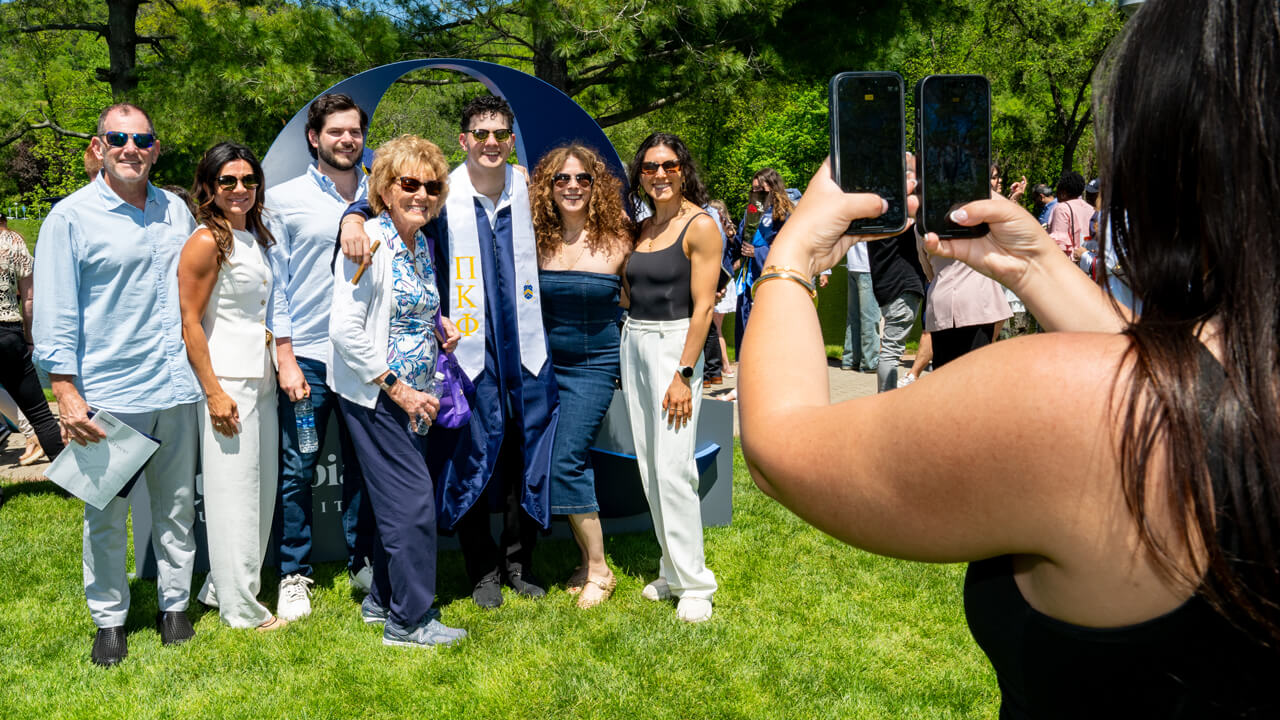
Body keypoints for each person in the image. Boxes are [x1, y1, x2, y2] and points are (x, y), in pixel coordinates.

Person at [740, 0, 1280, 714]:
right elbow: (1194, 388)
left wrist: (795, 256)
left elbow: (783, 447)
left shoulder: (1078, 410)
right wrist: (1032, 270)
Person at [339, 95, 559, 609]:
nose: (490, 143)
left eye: (500, 134)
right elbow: (380, 199)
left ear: (511, 140)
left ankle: (519, 563)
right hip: (468, 354)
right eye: (480, 134)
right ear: (463, 140)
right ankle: (481, 569)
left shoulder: (530, 190)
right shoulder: (442, 194)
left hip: (527, 351)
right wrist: (351, 219)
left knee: (523, 454)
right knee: (473, 457)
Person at [34, 103, 202, 666]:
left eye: (142, 138)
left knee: (177, 507)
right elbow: (54, 312)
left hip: (176, 387)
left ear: (155, 148)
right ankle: (109, 619)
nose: (131, 147)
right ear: (100, 146)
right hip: (108, 392)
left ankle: (174, 607)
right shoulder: (70, 218)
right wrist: (64, 390)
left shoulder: (174, 210)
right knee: (105, 515)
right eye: (118, 138)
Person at [330, 133, 466, 648]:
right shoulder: (369, 241)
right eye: (409, 184)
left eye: (432, 186)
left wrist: (439, 325)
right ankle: (409, 622)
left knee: (399, 503)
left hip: (419, 395)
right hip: (381, 398)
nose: (422, 195)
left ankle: (381, 600)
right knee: (412, 507)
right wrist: (396, 388)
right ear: (384, 189)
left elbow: (408, 306)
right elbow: (343, 328)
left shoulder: (421, 244)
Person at [265, 93, 376, 621]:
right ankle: (294, 573)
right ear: (314, 137)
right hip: (308, 354)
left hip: (366, 355)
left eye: (353, 131)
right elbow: (276, 290)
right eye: (335, 131)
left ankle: (364, 561)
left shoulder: (387, 191)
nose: (345, 140)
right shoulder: (283, 200)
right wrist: (284, 357)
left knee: (365, 464)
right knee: (298, 467)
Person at [177, 142, 287, 631]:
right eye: (228, 181)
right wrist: (214, 392)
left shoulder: (253, 234)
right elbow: (190, 323)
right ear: (209, 187)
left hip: (260, 377)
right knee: (235, 497)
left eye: (248, 180)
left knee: (259, 494)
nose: (240, 189)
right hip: (228, 384)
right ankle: (242, 611)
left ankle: (221, 588)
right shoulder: (206, 240)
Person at [622, 132, 721, 623]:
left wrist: (683, 373)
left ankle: (696, 583)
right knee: (649, 465)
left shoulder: (700, 225)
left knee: (674, 467)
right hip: (634, 341)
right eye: (649, 167)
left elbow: (704, 307)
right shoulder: (641, 229)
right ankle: (672, 568)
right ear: (639, 174)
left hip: (674, 347)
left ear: (684, 169)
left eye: (669, 165)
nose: (659, 174)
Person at [530, 144, 631, 609]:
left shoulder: (621, 238)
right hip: (545, 369)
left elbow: (640, 299)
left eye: (583, 179)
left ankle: (600, 569)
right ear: (548, 188)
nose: (572, 187)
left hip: (593, 367)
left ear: (597, 186)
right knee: (559, 460)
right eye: (562, 179)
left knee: (567, 457)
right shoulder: (535, 240)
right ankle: (586, 560)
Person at [0, 213, 63, 476]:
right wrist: (29, 338)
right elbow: (29, 299)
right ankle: (71, 482)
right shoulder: (13, 241)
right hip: (8, 332)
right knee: (40, 413)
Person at [733, 168, 798, 357]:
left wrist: (758, 252)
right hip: (748, 281)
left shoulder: (785, 213)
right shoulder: (752, 211)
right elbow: (740, 243)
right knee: (746, 331)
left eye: (760, 188)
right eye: (753, 189)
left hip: (771, 282)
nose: (756, 193)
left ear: (772, 188)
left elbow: (790, 250)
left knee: (770, 334)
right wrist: (731, 236)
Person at [867, 229, 926, 392]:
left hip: (885, 284)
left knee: (889, 348)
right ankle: (887, 400)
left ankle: (885, 398)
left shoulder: (878, 214)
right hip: (903, 283)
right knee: (891, 350)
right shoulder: (902, 215)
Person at [705, 199, 737, 379]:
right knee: (716, 327)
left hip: (719, 280)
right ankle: (719, 368)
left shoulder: (720, 232)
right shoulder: (728, 232)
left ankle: (722, 367)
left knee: (714, 327)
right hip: (726, 279)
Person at [840, 241, 879, 373]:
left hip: (852, 265)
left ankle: (850, 359)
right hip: (868, 266)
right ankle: (870, 362)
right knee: (870, 317)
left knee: (853, 318)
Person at [1046, 171, 1094, 258]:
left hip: (1070, 263)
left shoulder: (1062, 208)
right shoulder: (1091, 209)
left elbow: (1059, 245)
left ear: (1063, 193)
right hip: (1088, 261)